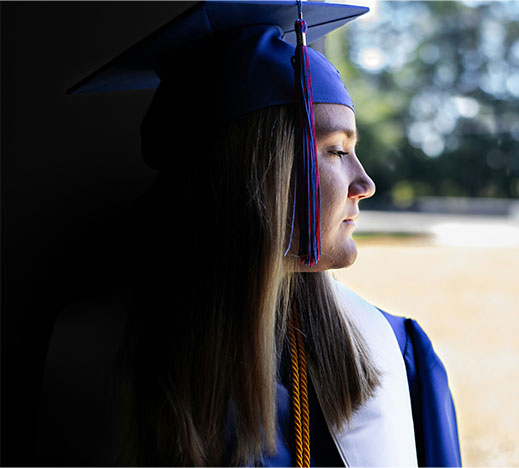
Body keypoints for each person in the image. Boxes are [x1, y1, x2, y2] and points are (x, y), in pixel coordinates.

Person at [37, 1, 461, 466]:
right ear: (256, 174)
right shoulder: (82, 358)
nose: (365, 184)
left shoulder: (394, 351)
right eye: (337, 151)